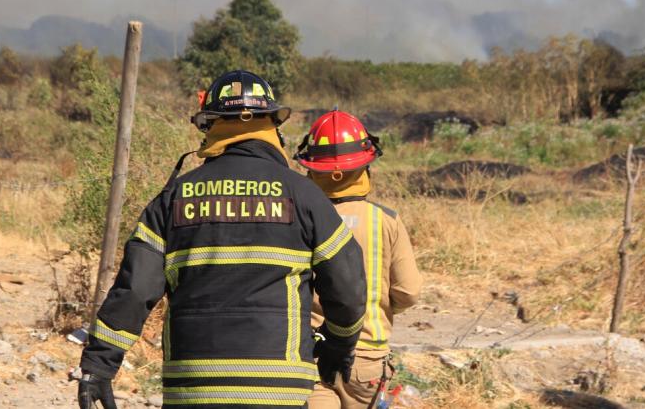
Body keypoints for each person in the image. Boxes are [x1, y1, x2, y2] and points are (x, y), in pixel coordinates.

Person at [78, 71, 367, 409]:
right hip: (278, 392)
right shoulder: (304, 196)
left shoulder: (175, 197)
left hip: (193, 389)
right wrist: (338, 347)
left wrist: (98, 365)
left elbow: (136, 288)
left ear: (210, 125)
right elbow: (347, 289)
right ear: (273, 126)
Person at [294, 110, 422, 409]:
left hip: (310, 357)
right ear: (365, 165)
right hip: (365, 362)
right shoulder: (386, 220)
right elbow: (408, 291)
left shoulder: (297, 218)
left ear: (311, 167)